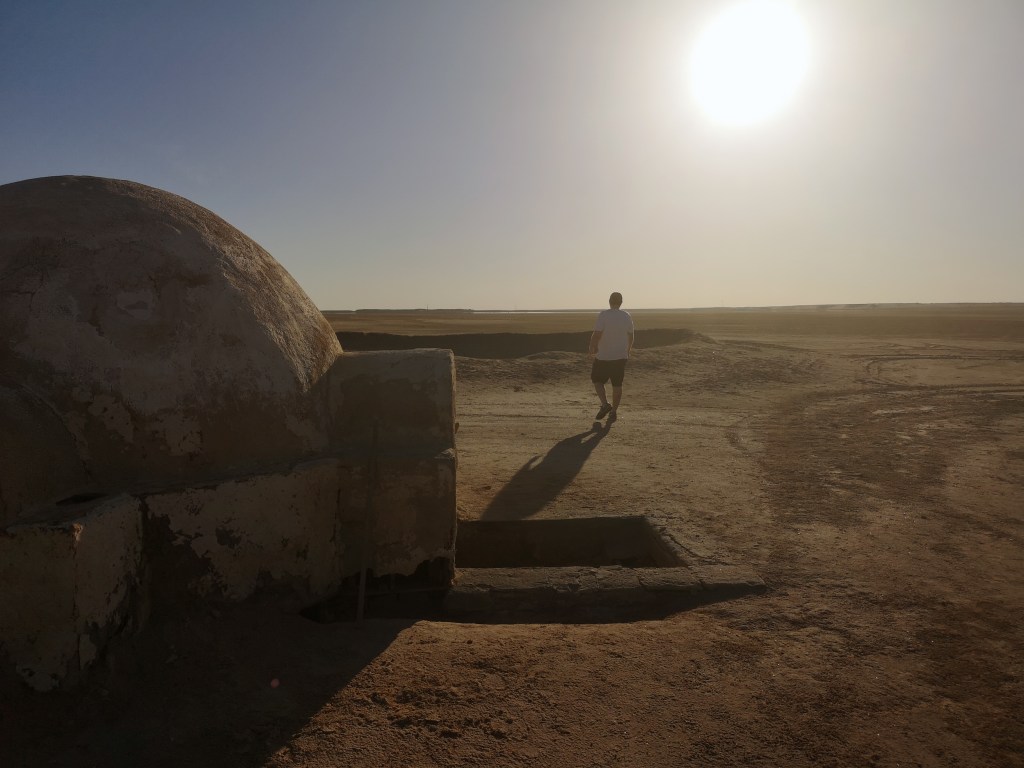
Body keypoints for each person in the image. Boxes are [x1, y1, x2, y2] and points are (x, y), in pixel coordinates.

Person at [589, 291, 634, 420]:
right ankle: (613, 411)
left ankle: (605, 404)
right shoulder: (626, 316)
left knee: (597, 381)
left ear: (609, 301)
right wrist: (628, 350)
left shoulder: (604, 315)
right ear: (621, 302)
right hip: (620, 356)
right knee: (617, 385)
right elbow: (631, 335)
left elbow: (597, 334)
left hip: (603, 356)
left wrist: (591, 347)